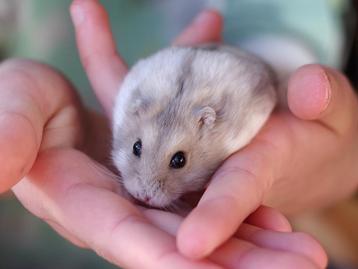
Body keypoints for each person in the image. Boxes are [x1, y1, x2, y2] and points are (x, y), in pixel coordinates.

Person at [1, 0, 358, 268]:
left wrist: (277, 73)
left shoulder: (221, 119)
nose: (144, 188)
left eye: (177, 160)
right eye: (138, 149)